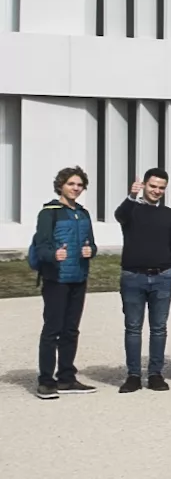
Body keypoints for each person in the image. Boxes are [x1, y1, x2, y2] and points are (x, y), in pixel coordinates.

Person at [115, 166, 171, 393]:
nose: (156, 191)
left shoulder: (167, 214)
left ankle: (155, 373)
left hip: (162, 277)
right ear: (144, 184)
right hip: (133, 277)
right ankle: (133, 374)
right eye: (153, 186)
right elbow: (120, 215)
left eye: (161, 188)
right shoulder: (132, 209)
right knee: (133, 327)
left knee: (158, 328)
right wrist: (131, 196)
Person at [31, 167, 98, 399]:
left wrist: (92, 251)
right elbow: (42, 246)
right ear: (61, 185)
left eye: (79, 185)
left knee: (71, 330)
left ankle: (67, 377)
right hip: (56, 279)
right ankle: (46, 381)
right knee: (52, 330)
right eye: (71, 184)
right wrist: (53, 255)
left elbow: (93, 244)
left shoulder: (83, 213)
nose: (76, 188)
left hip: (79, 278)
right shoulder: (49, 212)